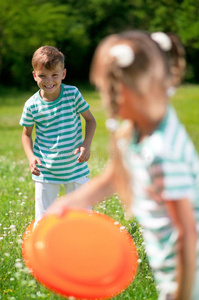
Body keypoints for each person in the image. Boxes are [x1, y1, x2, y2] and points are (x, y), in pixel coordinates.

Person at [46, 32, 199, 300]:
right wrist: (67, 203)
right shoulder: (134, 130)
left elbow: (187, 235)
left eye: (105, 90)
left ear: (126, 91)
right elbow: (114, 177)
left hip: (188, 272)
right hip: (170, 264)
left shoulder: (163, 152)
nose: (104, 100)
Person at [20, 46, 96, 225]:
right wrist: (31, 157)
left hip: (75, 166)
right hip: (45, 170)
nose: (49, 81)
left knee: (83, 216)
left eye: (54, 75)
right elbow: (26, 134)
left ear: (63, 73)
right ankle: (43, 250)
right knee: (43, 219)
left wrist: (86, 143)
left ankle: (84, 246)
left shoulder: (72, 94)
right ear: (34, 76)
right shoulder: (31, 105)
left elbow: (91, 120)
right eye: (43, 75)